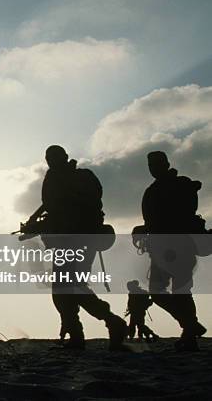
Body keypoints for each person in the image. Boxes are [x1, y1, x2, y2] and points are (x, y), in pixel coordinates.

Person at [34, 145, 127, 350]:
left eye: (55, 158)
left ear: (65, 157)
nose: (51, 162)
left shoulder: (83, 177)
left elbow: (87, 205)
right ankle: (77, 332)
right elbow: (54, 209)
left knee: (70, 287)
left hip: (82, 239)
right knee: (63, 289)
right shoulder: (53, 180)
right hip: (62, 241)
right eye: (49, 158)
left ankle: (109, 322)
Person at [140, 151, 206, 350]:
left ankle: (190, 333)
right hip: (163, 247)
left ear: (166, 163)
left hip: (177, 245)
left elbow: (181, 215)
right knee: (167, 293)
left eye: (156, 164)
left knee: (179, 292)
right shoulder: (155, 190)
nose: (153, 168)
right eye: (150, 165)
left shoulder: (178, 186)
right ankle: (190, 327)